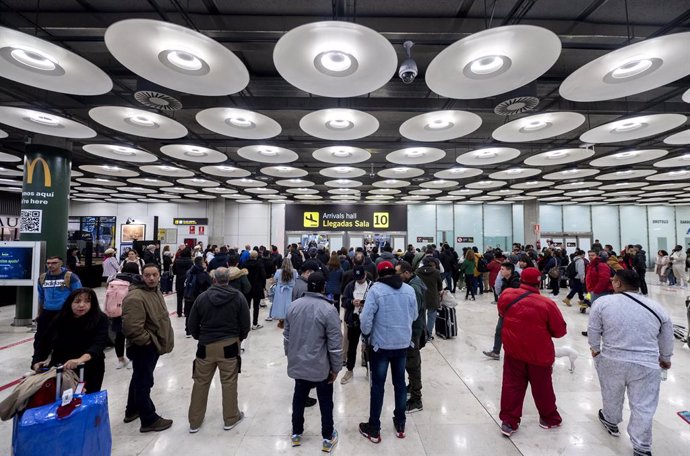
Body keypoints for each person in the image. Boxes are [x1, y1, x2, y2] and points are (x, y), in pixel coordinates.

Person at [588, 270, 674, 456]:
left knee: (611, 393)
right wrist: (666, 358)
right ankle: (642, 447)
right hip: (646, 364)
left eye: (613, 280)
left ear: (618, 283)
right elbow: (667, 335)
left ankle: (610, 420)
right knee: (643, 405)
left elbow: (594, 328)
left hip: (612, 359)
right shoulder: (656, 307)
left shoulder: (603, 303)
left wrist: (595, 349)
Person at [498, 267, 567, 437]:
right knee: (542, 387)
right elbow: (560, 331)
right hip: (539, 354)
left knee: (511, 385)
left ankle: (509, 421)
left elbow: (501, 313)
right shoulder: (547, 304)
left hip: (513, 350)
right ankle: (549, 418)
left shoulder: (506, 295)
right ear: (539, 282)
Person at [359, 261, 418, 443]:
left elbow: (366, 320)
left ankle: (374, 428)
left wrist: (366, 334)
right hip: (402, 344)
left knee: (378, 386)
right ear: (394, 272)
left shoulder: (375, 290)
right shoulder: (409, 290)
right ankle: (400, 424)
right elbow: (414, 316)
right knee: (400, 384)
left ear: (378, 274)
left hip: (381, 346)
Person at [187, 267, 251, 433]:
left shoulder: (202, 298)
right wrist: (239, 338)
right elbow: (245, 323)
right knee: (229, 382)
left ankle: (194, 422)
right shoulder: (238, 297)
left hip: (205, 345)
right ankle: (230, 418)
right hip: (229, 344)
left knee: (200, 382)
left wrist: (199, 337)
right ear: (228, 279)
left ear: (213, 279)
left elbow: (191, 323)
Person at [284, 272, 342, 452]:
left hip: (298, 364)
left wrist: (290, 356)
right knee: (325, 401)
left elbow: (286, 336)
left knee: (299, 397)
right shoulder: (329, 309)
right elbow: (335, 344)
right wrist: (336, 368)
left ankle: (296, 433)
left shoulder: (293, 306)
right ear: (324, 287)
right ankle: (327, 436)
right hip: (320, 366)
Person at [122, 263, 175, 433]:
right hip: (143, 347)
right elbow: (131, 327)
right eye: (147, 275)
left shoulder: (155, 291)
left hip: (152, 344)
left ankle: (132, 410)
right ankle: (148, 418)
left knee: (138, 378)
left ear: (159, 275)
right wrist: (148, 342)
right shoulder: (136, 297)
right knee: (144, 382)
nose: (151, 278)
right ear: (141, 276)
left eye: (154, 274)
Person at [32, 288, 108, 392]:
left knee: (85, 400)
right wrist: (36, 361)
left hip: (90, 368)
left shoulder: (100, 319)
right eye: (77, 301)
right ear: (70, 303)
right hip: (62, 367)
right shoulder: (60, 318)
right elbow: (43, 342)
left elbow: (99, 344)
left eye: (87, 301)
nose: (81, 305)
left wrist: (80, 359)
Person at [396, 260, 426, 413]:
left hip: (413, 332)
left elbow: (413, 314)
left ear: (407, 273)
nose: (397, 277)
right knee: (410, 361)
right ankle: (412, 386)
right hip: (414, 330)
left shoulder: (413, 288)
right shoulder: (415, 282)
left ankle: (416, 399)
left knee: (413, 363)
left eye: (399, 274)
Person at [35, 256, 83, 353]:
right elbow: (41, 297)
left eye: (54, 263)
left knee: (65, 336)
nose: (50, 265)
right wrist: (39, 313)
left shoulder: (71, 277)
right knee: (41, 336)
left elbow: (79, 295)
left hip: (65, 312)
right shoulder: (42, 277)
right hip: (47, 311)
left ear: (61, 263)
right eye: (48, 263)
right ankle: (41, 355)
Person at [340, 265, 372, 385]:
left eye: (361, 278)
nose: (360, 280)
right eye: (357, 278)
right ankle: (349, 370)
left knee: (368, 347)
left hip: (367, 320)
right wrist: (352, 302)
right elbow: (343, 301)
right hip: (353, 320)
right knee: (352, 347)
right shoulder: (350, 286)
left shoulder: (371, 286)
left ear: (365, 275)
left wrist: (365, 303)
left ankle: (369, 370)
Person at [483, 262, 521, 360]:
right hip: (504, 311)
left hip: (513, 312)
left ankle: (516, 353)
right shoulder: (504, 280)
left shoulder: (516, 282)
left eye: (503, 269)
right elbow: (498, 291)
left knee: (513, 333)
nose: (500, 271)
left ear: (509, 270)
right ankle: (496, 352)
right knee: (499, 330)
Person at [105, 262, 140, 369]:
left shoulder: (114, 279)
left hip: (116, 311)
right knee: (133, 337)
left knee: (119, 337)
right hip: (132, 312)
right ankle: (133, 359)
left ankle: (121, 359)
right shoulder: (137, 280)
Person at [184, 256, 212, 336]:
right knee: (201, 313)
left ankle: (188, 329)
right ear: (201, 263)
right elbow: (209, 285)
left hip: (189, 296)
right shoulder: (204, 274)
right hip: (200, 296)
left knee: (189, 313)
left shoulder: (189, 272)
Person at [415, 257, 442, 341]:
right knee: (431, 316)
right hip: (433, 297)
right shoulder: (436, 272)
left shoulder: (417, 272)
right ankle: (429, 335)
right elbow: (440, 286)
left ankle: (422, 334)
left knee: (421, 316)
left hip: (421, 296)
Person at [269, 258, 298, 328]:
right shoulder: (294, 271)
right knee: (290, 304)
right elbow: (297, 279)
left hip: (280, 291)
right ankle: (290, 320)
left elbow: (274, 280)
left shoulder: (279, 271)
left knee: (280, 305)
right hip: (291, 290)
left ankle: (281, 321)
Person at [244, 250, 266, 330]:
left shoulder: (245, 264)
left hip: (247, 288)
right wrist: (263, 286)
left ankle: (246, 325)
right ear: (256, 256)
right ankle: (255, 324)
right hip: (257, 287)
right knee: (256, 307)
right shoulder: (259, 264)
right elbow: (263, 275)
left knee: (247, 307)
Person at [173, 247, 194, 318]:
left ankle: (179, 312)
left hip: (179, 280)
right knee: (187, 297)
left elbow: (174, 271)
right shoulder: (190, 262)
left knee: (179, 297)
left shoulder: (177, 261)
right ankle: (186, 311)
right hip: (187, 281)